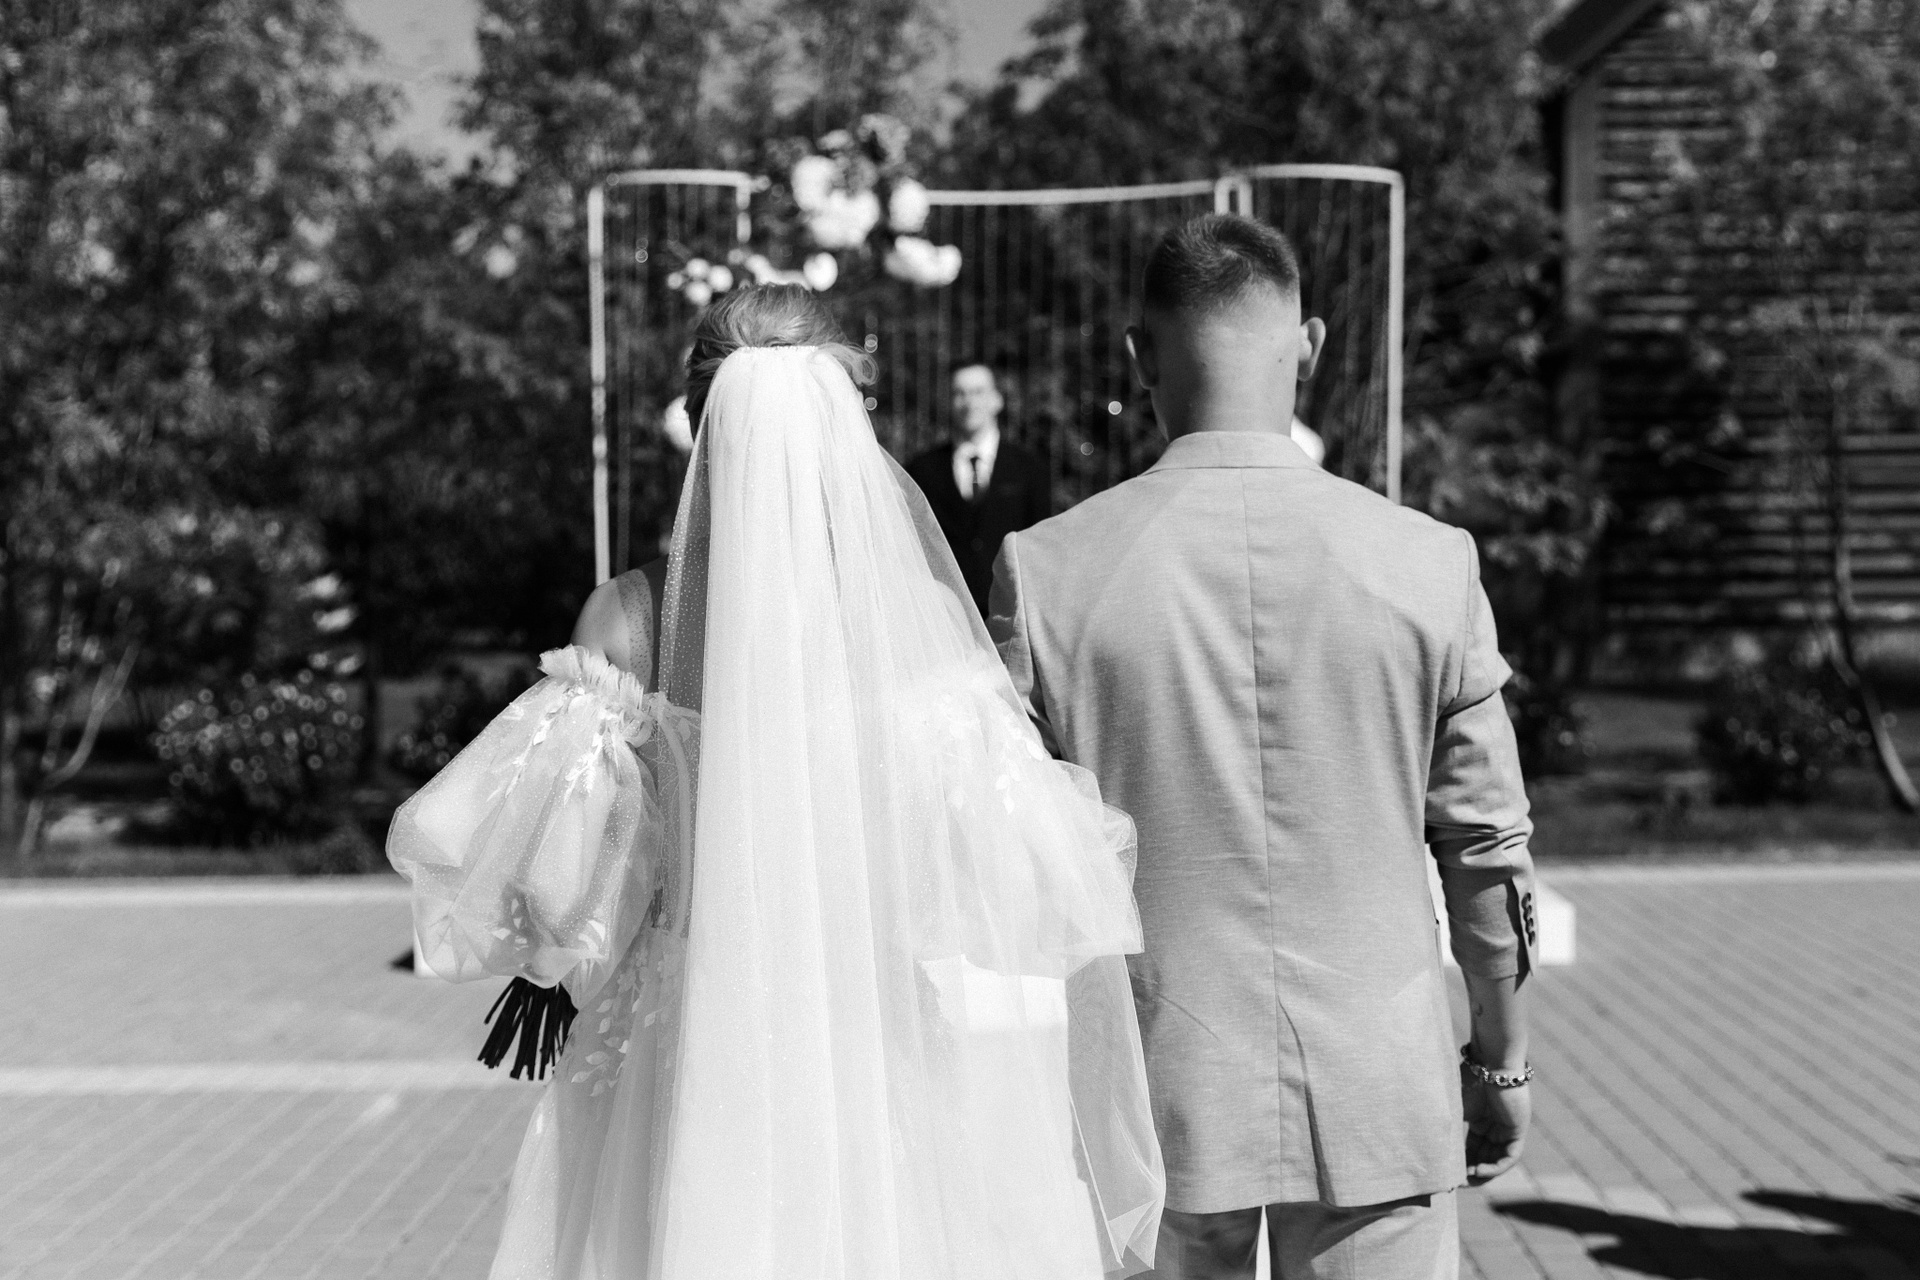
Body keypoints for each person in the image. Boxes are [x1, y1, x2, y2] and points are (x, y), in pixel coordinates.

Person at [388, 284, 1163, 1280]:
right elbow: (1008, 873)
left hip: (687, 1044)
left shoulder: (628, 620)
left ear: (700, 420)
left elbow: (559, 886)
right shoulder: (916, 626)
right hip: (875, 1036)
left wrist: (557, 961)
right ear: (848, 421)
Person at [989, 214, 1537, 1280]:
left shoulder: (1046, 570)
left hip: (1152, 1082)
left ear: (1140, 354)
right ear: (1312, 345)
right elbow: (1488, 846)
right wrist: (1501, 1062)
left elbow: (1009, 849)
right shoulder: (1428, 561)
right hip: (1377, 1079)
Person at [907, 363, 1051, 619]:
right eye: (959, 393)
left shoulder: (1030, 468)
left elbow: (1040, 545)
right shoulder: (921, 470)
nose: (969, 402)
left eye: (978, 392)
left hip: (1013, 613)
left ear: (997, 399)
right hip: (945, 616)